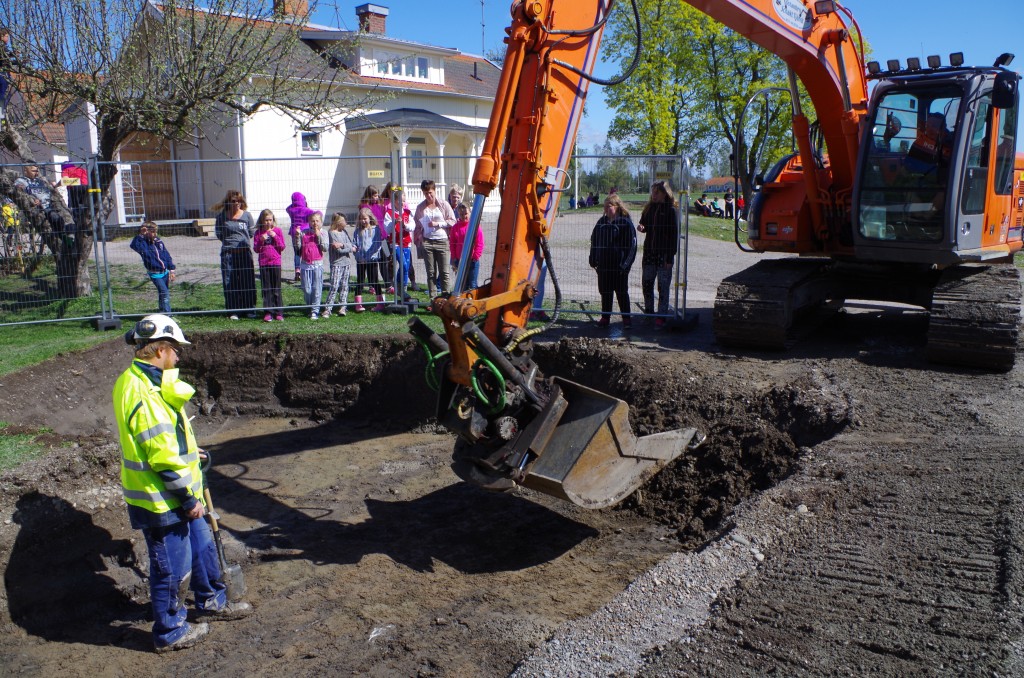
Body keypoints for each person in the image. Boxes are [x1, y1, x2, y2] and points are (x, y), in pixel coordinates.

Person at [113, 315, 252, 653]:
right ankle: (169, 630)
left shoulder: (155, 382)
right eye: (174, 350)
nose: (178, 356)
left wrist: (192, 452)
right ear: (159, 349)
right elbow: (159, 455)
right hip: (161, 498)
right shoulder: (142, 392)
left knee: (202, 547)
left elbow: (170, 440)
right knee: (172, 569)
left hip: (176, 490)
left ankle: (212, 601)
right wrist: (188, 500)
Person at [589, 194, 637, 328]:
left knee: (621, 293)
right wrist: (593, 258)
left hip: (619, 267)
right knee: (605, 292)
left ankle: (626, 319)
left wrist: (625, 265)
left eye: (608, 206)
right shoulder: (601, 222)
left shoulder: (625, 223)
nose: (605, 209)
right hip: (604, 266)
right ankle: (605, 318)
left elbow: (632, 246)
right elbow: (594, 241)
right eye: (604, 206)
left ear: (617, 207)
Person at [637, 181, 678, 328]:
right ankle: (649, 312)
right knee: (647, 284)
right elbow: (643, 224)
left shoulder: (671, 210)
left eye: (657, 192)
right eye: (652, 192)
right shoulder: (649, 208)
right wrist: (641, 227)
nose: (653, 195)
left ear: (665, 193)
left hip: (664, 255)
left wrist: (670, 256)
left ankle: (661, 315)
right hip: (649, 253)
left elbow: (674, 236)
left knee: (663, 286)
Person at [214, 190, 257, 320]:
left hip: (244, 253)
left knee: (247, 281)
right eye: (233, 201)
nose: (236, 203)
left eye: (239, 201)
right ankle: (233, 311)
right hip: (228, 254)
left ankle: (249, 309)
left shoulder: (247, 216)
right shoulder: (221, 217)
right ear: (228, 202)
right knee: (230, 282)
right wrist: (230, 243)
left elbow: (251, 232)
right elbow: (219, 234)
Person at [413, 179, 456, 297]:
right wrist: (420, 236)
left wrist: (439, 224)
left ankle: (446, 297)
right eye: (426, 193)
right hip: (427, 242)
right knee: (431, 273)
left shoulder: (443, 204)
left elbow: (453, 221)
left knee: (444, 272)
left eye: (430, 192)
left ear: (435, 191)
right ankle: (433, 298)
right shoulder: (420, 207)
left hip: (442, 241)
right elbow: (416, 225)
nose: (428, 195)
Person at [129, 222, 176, 314]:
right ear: (146, 232)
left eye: (156, 232)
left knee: (163, 293)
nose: (155, 234)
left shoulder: (159, 242)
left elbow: (166, 255)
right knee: (164, 293)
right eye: (153, 232)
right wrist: (141, 235)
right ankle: (168, 314)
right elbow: (134, 246)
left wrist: (172, 270)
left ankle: (163, 312)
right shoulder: (143, 244)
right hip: (155, 274)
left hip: (165, 272)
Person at [13, 165, 69, 234]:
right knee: (55, 219)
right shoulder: (21, 181)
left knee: (65, 219)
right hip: (39, 207)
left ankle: (62, 235)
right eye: (33, 171)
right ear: (26, 171)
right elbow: (20, 193)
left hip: (50, 204)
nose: (36, 173)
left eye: (37, 171)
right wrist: (32, 200)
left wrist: (57, 185)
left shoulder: (39, 181)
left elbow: (49, 189)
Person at [252, 209, 286, 322]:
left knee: (276, 288)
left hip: (275, 263)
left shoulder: (278, 231)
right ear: (262, 220)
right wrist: (261, 240)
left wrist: (275, 236)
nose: (268, 222)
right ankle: (268, 312)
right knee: (266, 289)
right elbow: (256, 249)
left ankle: (279, 312)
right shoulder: (258, 233)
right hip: (264, 263)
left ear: (273, 220)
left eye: (270, 220)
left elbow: (282, 247)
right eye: (266, 220)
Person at [382, 181, 414, 297]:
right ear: (394, 201)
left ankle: (402, 288)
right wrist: (394, 222)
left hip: (406, 243)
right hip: (395, 243)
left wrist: (406, 226)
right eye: (399, 201)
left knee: (406, 265)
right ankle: (398, 286)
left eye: (404, 201)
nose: (402, 203)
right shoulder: (389, 213)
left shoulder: (407, 213)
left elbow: (412, 226)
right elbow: (387, 229)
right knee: (404, 265)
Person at [323, 212, 355, 318]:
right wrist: (349, 248)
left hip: (347, 263)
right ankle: (328, 308)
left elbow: (351, 245)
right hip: (337, 264)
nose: (346, 223)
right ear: (339, 222)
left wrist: (343, 245)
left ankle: (343, 306)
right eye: (345, 221)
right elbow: (339, 251)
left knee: (345, 285)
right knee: (334, 285)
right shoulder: (332, 233)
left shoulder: (344, 232)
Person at [353, 206, 384, 312]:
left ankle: (380, 304)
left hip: (372, 260)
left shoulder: (376, 230)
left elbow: (377, 245)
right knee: (360, 281)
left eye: (365, 218)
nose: (363, 221)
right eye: (361, 218)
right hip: (361, 261)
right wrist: (359, 257)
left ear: (370, 218)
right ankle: (358, 304)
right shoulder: (357, 231)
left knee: (374, 281)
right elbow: (355, 245)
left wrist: (369, 257)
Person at [448, 202, 484, 291]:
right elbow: (452, 244)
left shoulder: (475, 227)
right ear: (458, 214)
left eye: (466, 214)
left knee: (472, 285)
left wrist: (475, 256)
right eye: (461, 214)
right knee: (462, 285)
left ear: (470, 212)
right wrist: (454, 258)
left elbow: (480, 243)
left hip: (472, 260)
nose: (464, 216)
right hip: (459, 260)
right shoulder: (455, 228)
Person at [300, 211, 327, 319]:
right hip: (305, 264)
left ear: (321, 222)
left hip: (317, 264)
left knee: (317, 288)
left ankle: (315, 310)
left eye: (317, 221)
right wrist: (297, 236)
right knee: (307, 289)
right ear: (309, 222)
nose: (315, 223)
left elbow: (325, 247)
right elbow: (298, 247)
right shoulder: (304, 233)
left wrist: (318, 236)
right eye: (312, 221)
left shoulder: (323, 232)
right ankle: (310, 306)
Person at [286, 192, 314, 283]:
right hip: (305, 232)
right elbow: (315, 213)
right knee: (305, 251)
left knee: (297, 253)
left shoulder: (291, 210)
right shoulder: (307, 210)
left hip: (295, 232)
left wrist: (295, 203)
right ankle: (305, 271)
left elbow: (287, 208)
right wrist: (305, 204)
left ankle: (297, 270)